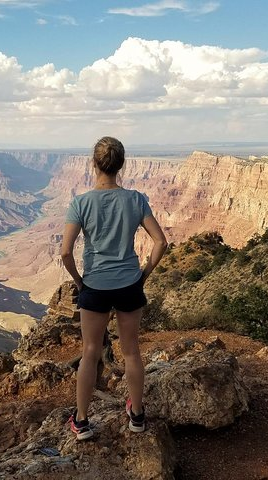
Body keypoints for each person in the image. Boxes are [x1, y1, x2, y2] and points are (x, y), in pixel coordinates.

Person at [60, 136, 168, 440]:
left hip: (94, 285)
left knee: (90, 352)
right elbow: (161, 242)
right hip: (129, 284)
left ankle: (81, 421)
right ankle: (136, 416)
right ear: (121, 165)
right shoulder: (135, 199)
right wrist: (143, 274)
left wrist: (81, 283)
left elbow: (66, 253)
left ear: (94, 164)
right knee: (131, 351)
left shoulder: (81, 203)